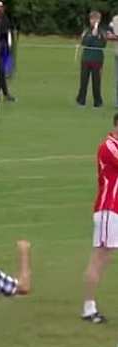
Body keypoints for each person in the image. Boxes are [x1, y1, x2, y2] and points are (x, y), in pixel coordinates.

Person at [81, 113, 118, 323]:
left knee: (105, 257)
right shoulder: (108, 146)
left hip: (115, 211)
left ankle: (90, 305)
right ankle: (88, 307)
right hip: (107, 210)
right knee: (99, 258)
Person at [77, 11, 108, 108]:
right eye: (92, 19)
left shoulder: (102, 31)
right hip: (86, 59)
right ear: (90, 20)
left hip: (97, 60)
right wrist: (92, 37)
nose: (94, 21)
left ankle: (98, 102)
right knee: (83, 81)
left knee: (96, 82)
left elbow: (102, 44)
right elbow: (84, 42)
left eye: (96, 19)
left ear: (99, 20)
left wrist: (96, 37)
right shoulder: (86, 31)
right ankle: (81, 101)